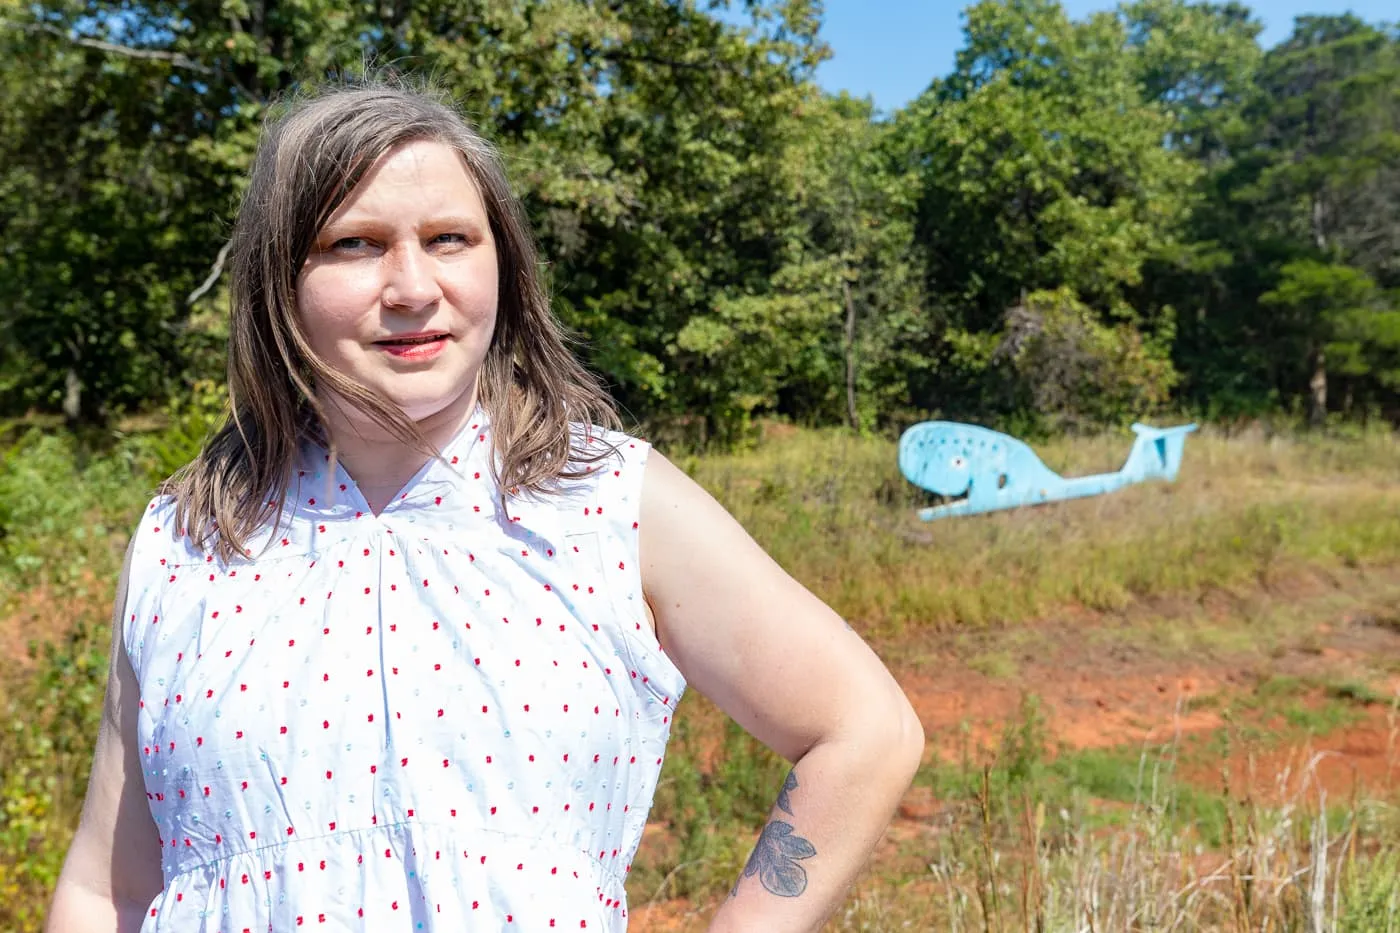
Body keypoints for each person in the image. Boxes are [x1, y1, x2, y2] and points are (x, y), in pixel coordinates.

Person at [46, 78, 923, 932]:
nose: (413, 287)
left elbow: (864, 730)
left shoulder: (610, 501)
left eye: (450, 238)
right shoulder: (188, 536)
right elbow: (107, 888)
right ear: (280, 281)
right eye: (354, 243)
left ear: (502, 259)